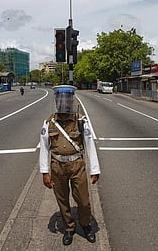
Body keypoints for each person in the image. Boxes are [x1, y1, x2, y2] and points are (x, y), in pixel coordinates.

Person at [39, 85, 101, 246]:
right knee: (62, 199)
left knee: (84, 200)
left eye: (67, 99)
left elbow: (89, 144)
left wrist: (95, 169)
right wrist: (45, 172)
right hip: (57, 165)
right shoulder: (49, 123)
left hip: (77, 165)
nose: (64, 103)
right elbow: (44, 148)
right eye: (61, 99)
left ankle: (86, 225)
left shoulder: (81, 121)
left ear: (72, 101)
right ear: (56, 101)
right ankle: (69, 228)